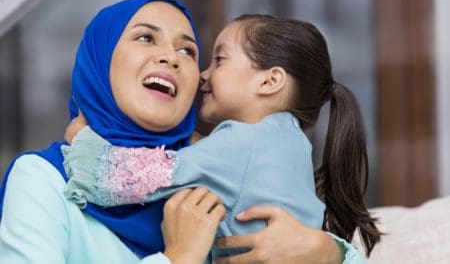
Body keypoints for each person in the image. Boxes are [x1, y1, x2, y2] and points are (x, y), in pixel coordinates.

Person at [62, 13, 380, 261]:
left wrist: (83, 143)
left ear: (270, 81)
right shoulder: (291, 143)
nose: (203, 73)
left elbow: (132, 178)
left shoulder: (240, 142)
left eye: (219, 60)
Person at [0, 0, 226, 264]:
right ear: (100, 60)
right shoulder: (45, 179)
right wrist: (178, 258)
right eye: (145, 38)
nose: (171, 57)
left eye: (187, 51)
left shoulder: (218, 182)